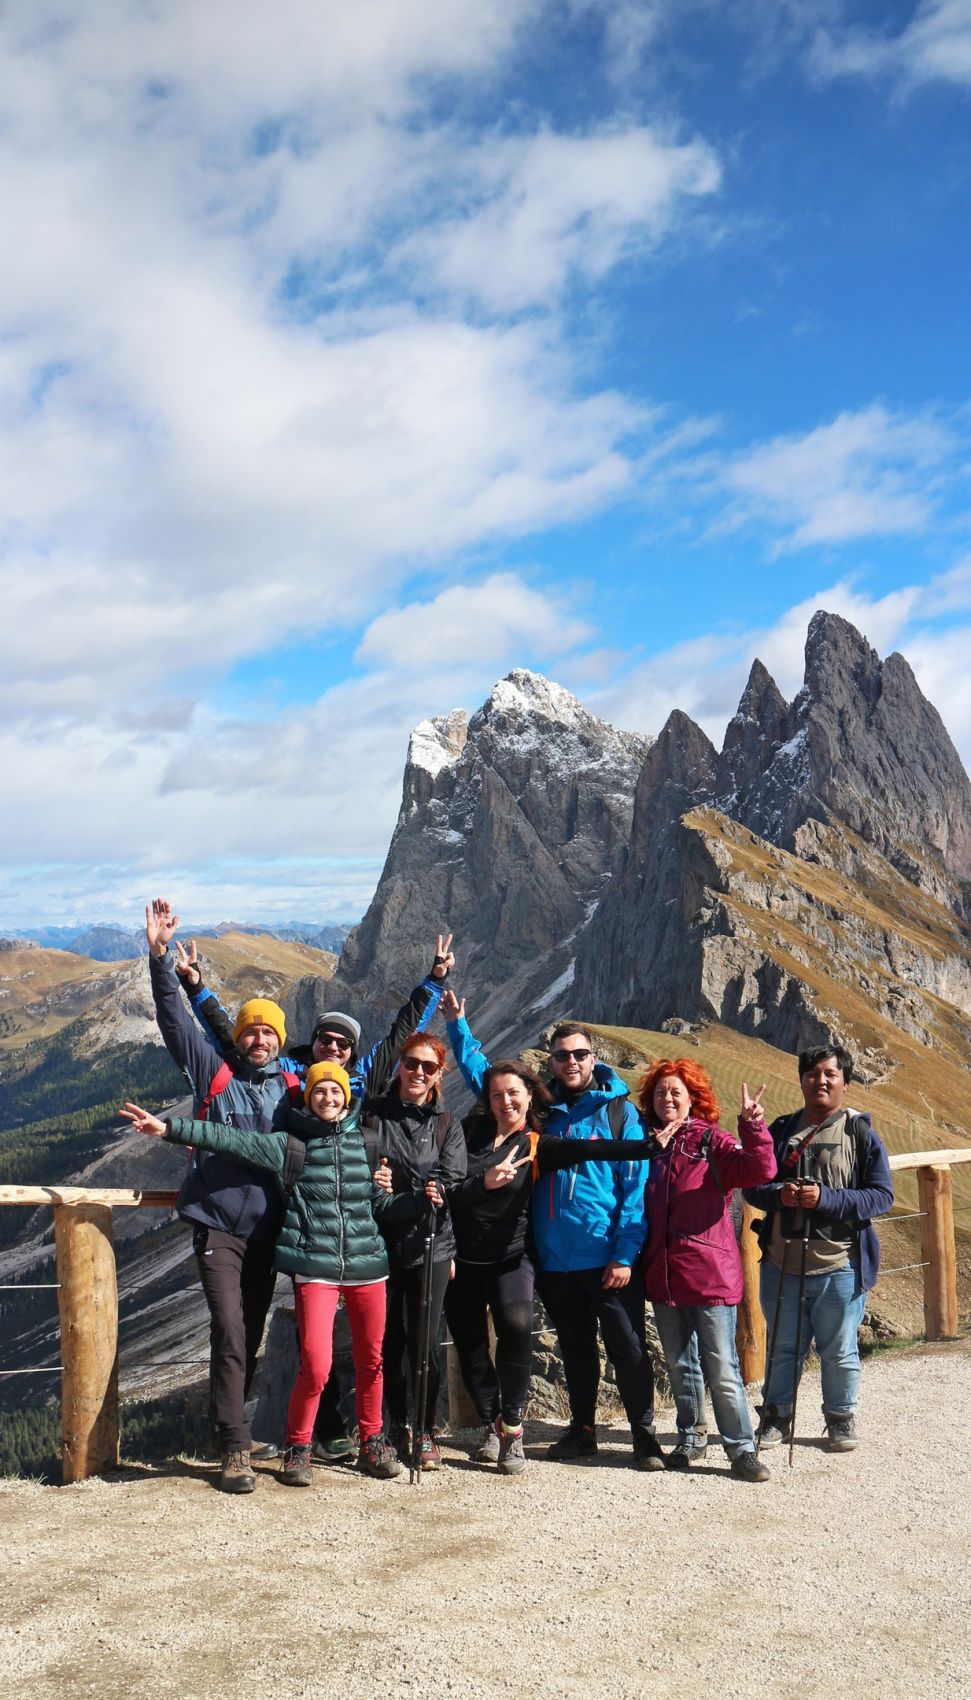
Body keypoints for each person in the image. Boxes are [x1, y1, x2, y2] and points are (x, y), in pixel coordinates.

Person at [175, 933, 455, 1464]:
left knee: (346, 1339)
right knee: (312, 1337)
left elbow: (400, 1035)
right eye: (326, 1040)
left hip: (343, 1226)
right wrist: (197, 989)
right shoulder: (289, 1075)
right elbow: (231, 1037)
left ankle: (355, 1433)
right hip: (294, 1222)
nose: (334, 1050)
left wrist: (434, 983)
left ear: (351, 1055)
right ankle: (315, 1433)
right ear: (314, 1042)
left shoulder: (358, 1082)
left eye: (343, 1045)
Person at [122, 1061, 419, 1484]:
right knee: (316, 1364)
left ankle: (372, 1440)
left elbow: (379, 1203)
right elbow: (228, 1138)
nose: (328, 1098)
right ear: (308, 1098)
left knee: (372, 1360)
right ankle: (298, 1446)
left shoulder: (368, 1142)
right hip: (315, 1266)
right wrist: (169, 1129)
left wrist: (422, 1202)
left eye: (335, 1091)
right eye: (319, 1091)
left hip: (367, 1265)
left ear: (346, 1097)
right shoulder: (289, 1146)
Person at [442, 996, 659, 1468]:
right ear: (552, 1062)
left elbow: (634, 1187)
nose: (571, 1062)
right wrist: (458, 1025)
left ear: (594, 1058)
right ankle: (582, 1430)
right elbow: (489, 1080)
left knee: (627, 1346)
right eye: (562, 1055)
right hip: (555, 1260)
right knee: (576, 1348)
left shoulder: (618, 1113)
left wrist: (625, 1254)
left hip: (606, 1254)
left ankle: (644, 1435)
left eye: (579, 1054)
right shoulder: (542, 1110)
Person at [145, 897, 301, 1495]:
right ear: (238, 1036)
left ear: (279, 1040)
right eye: (251, 1030)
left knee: (246, 1331)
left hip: (269, 1231)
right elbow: (175, 1024)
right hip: (218, 1226)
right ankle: (235, 1448)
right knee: (232, 1329)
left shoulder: (294, 1086)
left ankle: (226, 1429)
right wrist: (160, 959)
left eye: (268, 1032)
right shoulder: (216, 1071)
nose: (259, 1039)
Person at [744, 1045, 893, 1452]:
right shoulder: (781, 1130)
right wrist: (780, 1195)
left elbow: (881, 1196)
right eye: (812, 1073)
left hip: (841, 1265)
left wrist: (826, 1199)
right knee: (782, 1349)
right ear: (801, 1080)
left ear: (845, 1082)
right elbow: (753, 1186)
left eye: (830, 1074)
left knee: (839, 1349)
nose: (820, 1081)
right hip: (781, 1263)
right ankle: (775, 1418)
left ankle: (840, 1418)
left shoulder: (860, 1134)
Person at [635, 1058, 776, 1482]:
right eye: (660, 1092)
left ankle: (741, 1449)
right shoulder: (647, 1146)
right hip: (664, 1275)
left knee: (722, 1367)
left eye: (676, 1091)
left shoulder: (711, 1141)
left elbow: (760, 1170)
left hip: (710, 1273)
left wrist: (753, 1127)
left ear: (693, 1098)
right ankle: (691, 1436)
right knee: (680, 1363)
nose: (667, 1098)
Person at [362, 1030, 467, 1467]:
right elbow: (358, 1163)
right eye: (411, 1063)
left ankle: (424, 1429)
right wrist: (374, 1177)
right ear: (399, 1065)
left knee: (424, 1345)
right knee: (387, 1342)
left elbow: (452, 1175)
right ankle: (395, 1426)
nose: (418, 1072)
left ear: (440, 1073)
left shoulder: (446, 1123)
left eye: (429, 1066)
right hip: (380, 1245)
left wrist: (415, 1187)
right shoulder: (372, 1114)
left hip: (431, 1246)